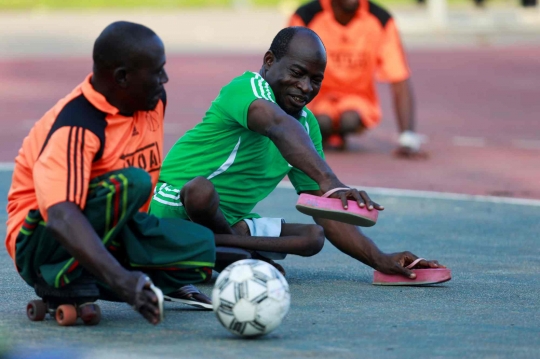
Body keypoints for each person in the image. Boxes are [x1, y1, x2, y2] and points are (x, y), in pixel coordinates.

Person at [149, 27, 441, 279]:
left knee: (313, 237)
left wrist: (380, 259)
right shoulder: (245, 88)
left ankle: (222, 250)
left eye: (316, 80)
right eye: (297, 73)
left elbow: (327, 215)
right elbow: (276, 125)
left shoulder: (305, 125)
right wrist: (331, 181)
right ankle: (239, 256)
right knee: (200, 191)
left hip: (229, 225)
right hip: (174, 207)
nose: (305, 87)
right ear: (269, 61)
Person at [5, 21, 215, 325]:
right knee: (134, 182)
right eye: (157, 71)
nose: (165, 79)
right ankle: (58, 276)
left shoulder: (152, 101)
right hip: (41, 241)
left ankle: (99, 273)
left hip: (113, 227)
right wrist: (122, 281)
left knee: (202, 247)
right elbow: (62, 216)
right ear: (122, 77)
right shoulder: (78, 124)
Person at [289, 0, 426, 157]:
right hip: (315, 97)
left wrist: (407, 138)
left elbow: (399, 77)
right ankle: (327, 135)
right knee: (320, 122)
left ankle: (338, 134)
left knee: (349, 120)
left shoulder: (380, 20)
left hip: (357, 100)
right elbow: (287, 70)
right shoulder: (306, 16)